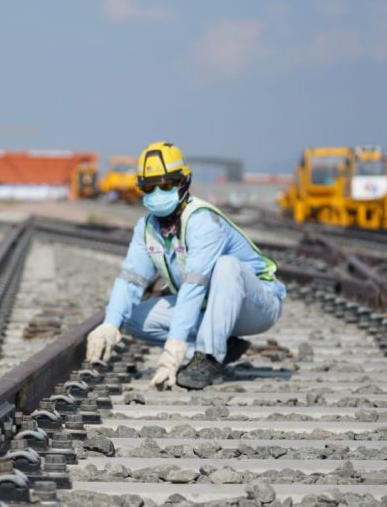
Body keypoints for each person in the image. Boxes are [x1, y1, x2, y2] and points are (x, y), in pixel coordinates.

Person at [84, 142, 286, 390]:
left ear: (184, 182)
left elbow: (193, 286)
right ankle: (213, 349)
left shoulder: (203, 222)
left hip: (256, 305)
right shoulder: (147, 229)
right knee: (133, 317)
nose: (158, 192)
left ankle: (209, 356)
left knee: (226, 266)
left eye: (166, 184)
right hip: (210, 309)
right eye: (149, 186)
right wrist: (110, 324)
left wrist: (172, 351)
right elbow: (130, 280)